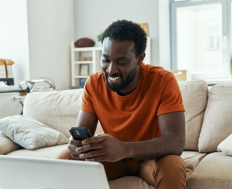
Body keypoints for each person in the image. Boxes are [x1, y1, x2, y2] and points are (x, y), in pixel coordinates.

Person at [56, 20, 187, 189]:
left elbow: (175, 143)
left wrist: (125, 149)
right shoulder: (94, 83)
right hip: (112, 158)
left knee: (172, 166)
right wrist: (76, 146)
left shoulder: (163, 80)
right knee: (64, 158)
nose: (111, 70)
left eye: (121, 62)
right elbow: (81, 136)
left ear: (140, 58)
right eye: (105, 60)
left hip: (152, 158)